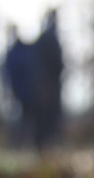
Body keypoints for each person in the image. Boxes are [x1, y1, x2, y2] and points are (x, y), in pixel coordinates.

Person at [35, 9, 64, 148]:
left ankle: (47, 145)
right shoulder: (48, 37)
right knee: (46, 116)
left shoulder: (48, 36)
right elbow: (54, 62)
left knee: (49, 116)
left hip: (48, 82)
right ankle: (44, 145)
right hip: (47, 83)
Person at [4, 26, 38, 145]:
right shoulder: (14, 51)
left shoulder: (22, 51)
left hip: (26, 91)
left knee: (27, 118)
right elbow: (8, 73)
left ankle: (24, 142)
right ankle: (17, 142)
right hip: (19, 90)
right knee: (19, 118)